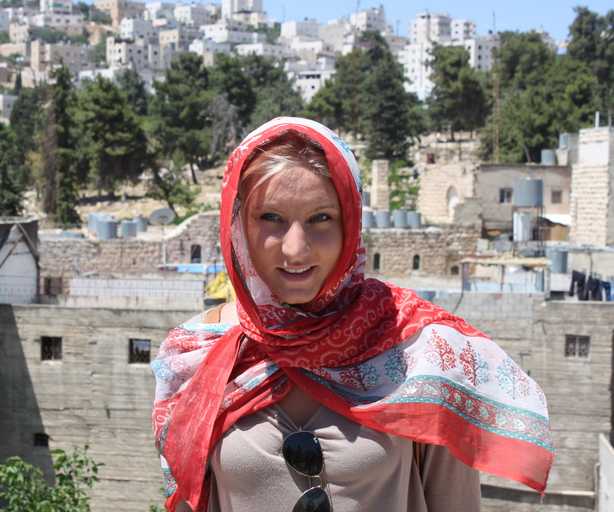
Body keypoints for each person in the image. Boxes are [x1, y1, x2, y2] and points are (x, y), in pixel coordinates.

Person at [151, 117, 553, 512]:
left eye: (320, 218)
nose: (295, 249)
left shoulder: (418, 348)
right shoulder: (199, 355)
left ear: (351, 223)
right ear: (237, 223)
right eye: (270, 217)